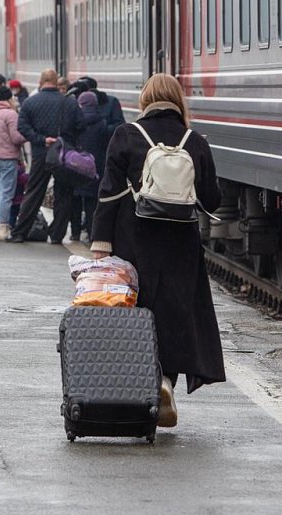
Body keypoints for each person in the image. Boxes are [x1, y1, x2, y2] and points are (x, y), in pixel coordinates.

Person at [89, 74, 224, 427]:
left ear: (146, 99)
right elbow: (212, 200)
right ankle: (166, 381)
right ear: (178, 100)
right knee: (175, 313)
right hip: (181, 244)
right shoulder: (195, 141)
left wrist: (101, 244)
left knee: (137, 312)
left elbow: (108, 192)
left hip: (134, 240)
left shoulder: (127, 135)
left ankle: (143, 382)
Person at [9, 69, 83, 243]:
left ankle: (20, 233)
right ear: (56, 82)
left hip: (41, 153)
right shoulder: (70, 102)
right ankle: (57, 235)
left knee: (34, 192)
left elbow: (22, 127)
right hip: (64, 155)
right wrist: (67, 140)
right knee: (63, 194)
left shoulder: (30, 102)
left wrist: (41, 139)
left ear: (41, 82)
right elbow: (81, 125)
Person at [0, 86, 27, 241]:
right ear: (9, 98)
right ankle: (4, 227)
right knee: (6, 194)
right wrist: (27, 135)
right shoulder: (10, 114)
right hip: (7, 157)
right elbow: (16, 138)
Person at [69, 91, 106, 243]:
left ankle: (75, 232)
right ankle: (91, 232)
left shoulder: (74, 121)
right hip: (94, 166)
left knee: (75, 200)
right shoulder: (102, 123)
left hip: (76, 165)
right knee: (92, 202)